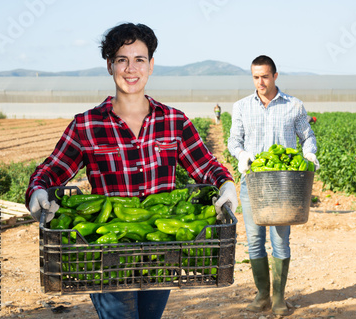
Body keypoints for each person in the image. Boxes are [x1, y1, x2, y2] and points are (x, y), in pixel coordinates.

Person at [25, 23, 238, 319]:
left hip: (161, 249)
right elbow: (52, 169)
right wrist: (37, 189)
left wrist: (225, 183)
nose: (130, 68)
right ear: (110, 65)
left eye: (139, 59)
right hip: (108, 251)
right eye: (122, 59)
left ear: (151, 66)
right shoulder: (87, 125)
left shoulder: (174, 121)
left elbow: (204, 165)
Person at [227, 55, 319, 316]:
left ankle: (279, 297)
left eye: (265, 76)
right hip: (253, 183)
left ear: (275, 76)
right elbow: (234, 141)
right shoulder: (242, 106)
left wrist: (310, 153)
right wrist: (242, 155)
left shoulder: (294, 106)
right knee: (254, 241)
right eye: (256, 77)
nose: (260, 82)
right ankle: (262, 294)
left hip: (284, 185)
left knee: (280, 241)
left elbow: (307, 135)